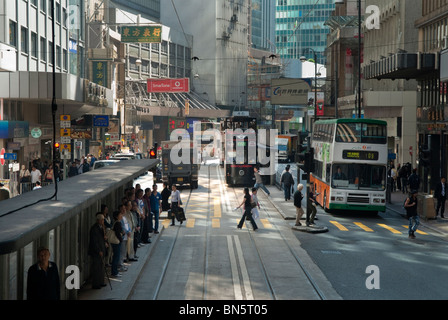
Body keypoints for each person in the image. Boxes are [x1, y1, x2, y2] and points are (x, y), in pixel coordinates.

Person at [88, 213, 107, 289]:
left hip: (102, 249)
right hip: (96, 252)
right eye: (101, 220)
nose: (103, 221)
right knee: (96, 268)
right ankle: (96, 284)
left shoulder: (101, 227)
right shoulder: (94, 229)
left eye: (103, 220)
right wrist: (99, 250)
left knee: (101, 267)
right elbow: (94, 241)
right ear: (98, 220)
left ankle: (101, 281)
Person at [110, 210, 124, 277]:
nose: (121, 215)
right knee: (116, 257)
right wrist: (121, 239)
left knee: (116, 257)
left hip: (116, 241)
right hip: (116, 242)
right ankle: (114, 272)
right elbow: (117, 233)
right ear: (116, 216)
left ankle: (115, 271)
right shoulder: (117, 223)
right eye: (120, 214)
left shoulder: (117, 222)